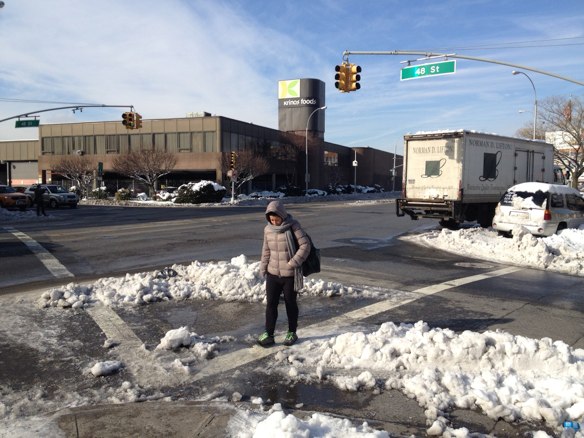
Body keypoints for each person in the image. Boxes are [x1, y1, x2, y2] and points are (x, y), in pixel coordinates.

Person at [258, 200, 311, 347]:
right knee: (271, 305)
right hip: (273, 274)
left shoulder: (293, 226)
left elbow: (305, 245)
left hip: (289, 275)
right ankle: (269, 334)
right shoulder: (268, 230)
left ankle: (292, 332)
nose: (274, 222)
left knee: (290, 304)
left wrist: (293, 262)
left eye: (277, 219)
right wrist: (263, 267)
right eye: (271, 219)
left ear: (282, 215)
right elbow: (266, 250)